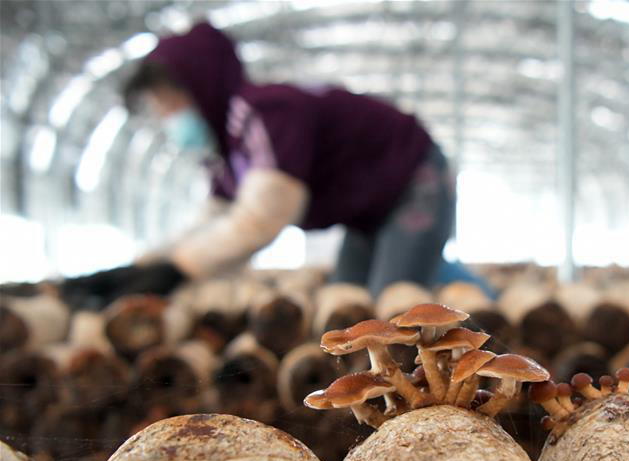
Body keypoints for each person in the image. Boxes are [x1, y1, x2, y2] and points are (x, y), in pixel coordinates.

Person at [59, 22, 484, 308]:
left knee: (396, 309)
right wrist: (143, 267)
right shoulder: (229, 154)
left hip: (414, 182)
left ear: (199, 84)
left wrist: (177, 270)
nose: (167, 116)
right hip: (367, 212)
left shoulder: (265, 113)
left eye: (170, 102)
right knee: (348, 312)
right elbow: (215, 219)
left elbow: (262, 217)